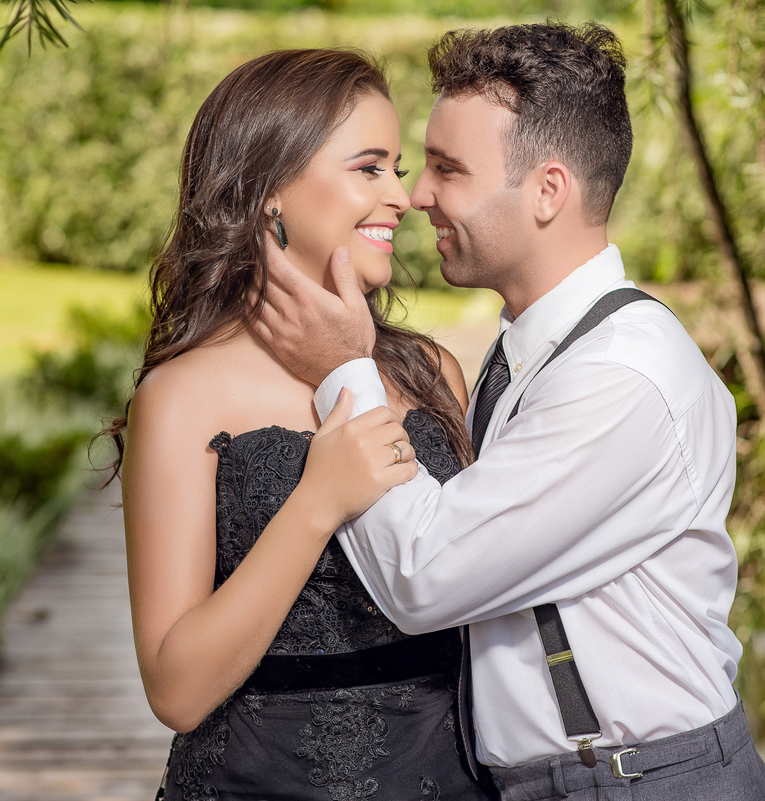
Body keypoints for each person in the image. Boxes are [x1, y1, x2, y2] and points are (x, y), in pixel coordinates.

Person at [252, 23, 765, 801]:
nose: (417, 195)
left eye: (448, 169)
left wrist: (342, 369)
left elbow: (426, 574)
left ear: (548, 191)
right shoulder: (534, 350)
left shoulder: (620, 377)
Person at [108, 48, 496, 801]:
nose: (402, 196)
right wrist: (316, 502)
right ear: (268, 193)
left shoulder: (432, 373)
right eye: (369, 168)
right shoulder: (181, 397)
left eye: (396, 169)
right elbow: (176, 691)